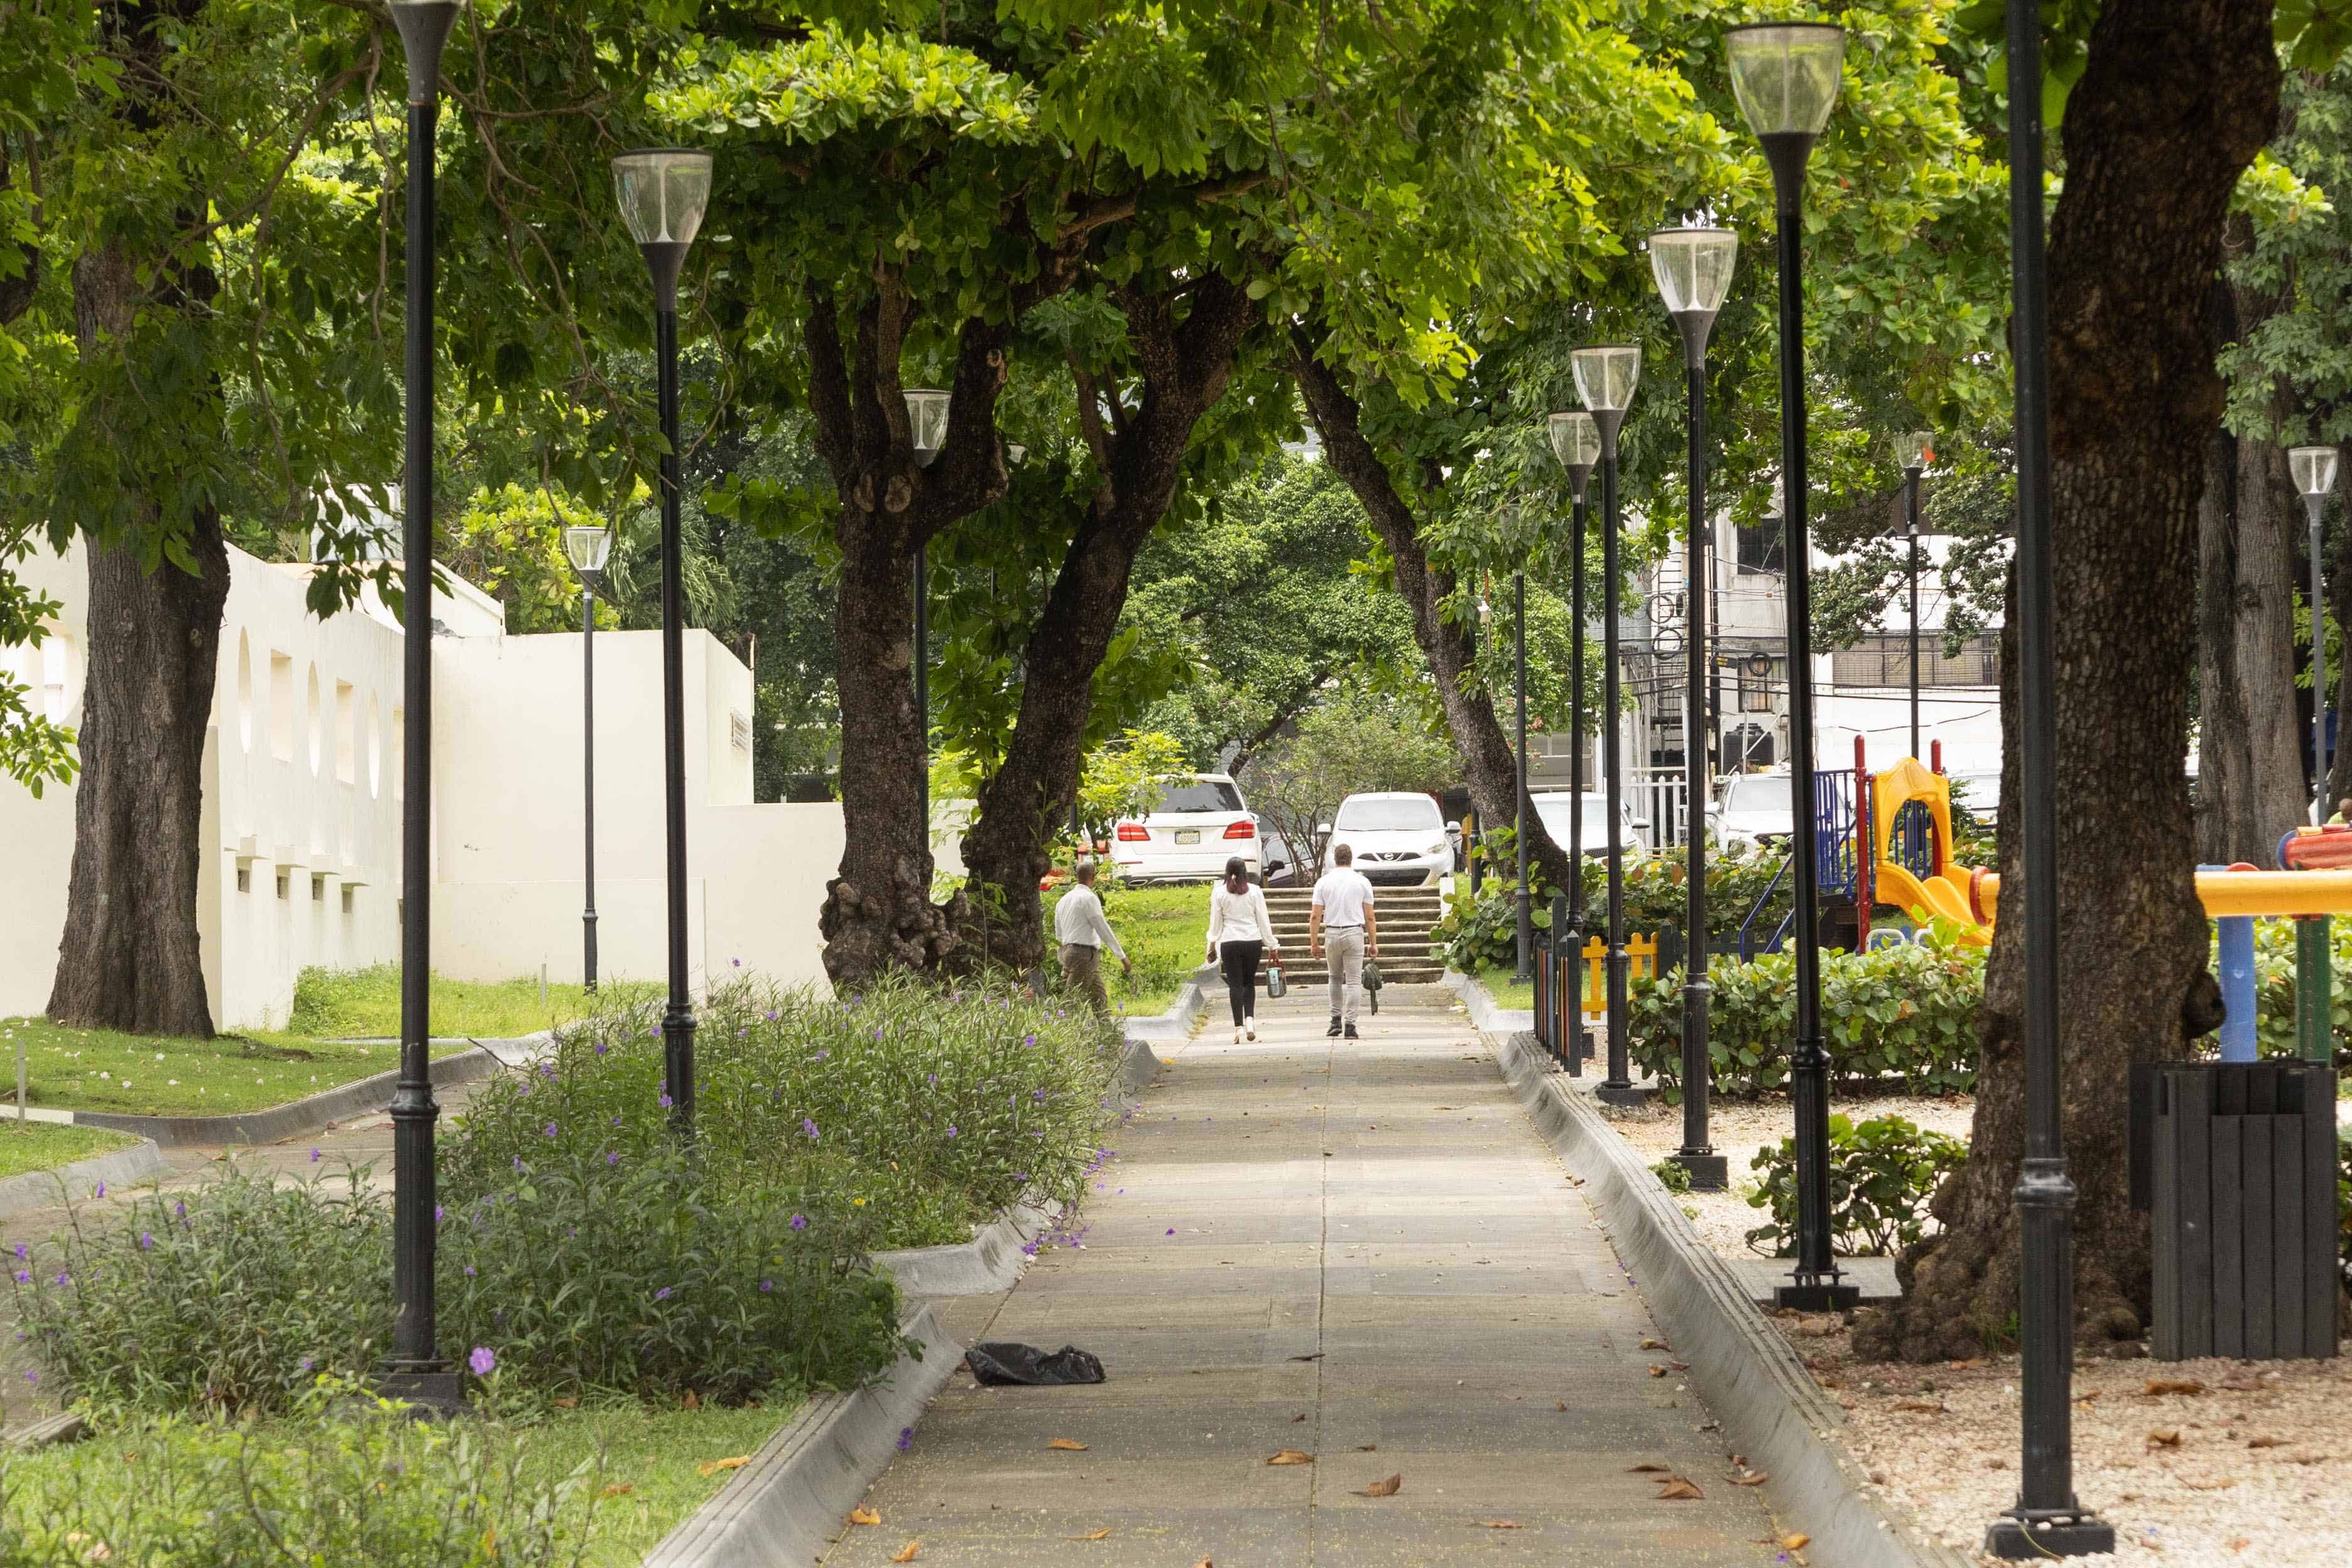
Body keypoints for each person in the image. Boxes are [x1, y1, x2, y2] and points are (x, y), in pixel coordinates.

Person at [1205, 855, 1280, 1043]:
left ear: (1227, 872)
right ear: (1245, 872)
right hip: (1252, 942)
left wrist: (1212, 945)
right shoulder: (1255, 891)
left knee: (1235, 985)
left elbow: (1216, 924)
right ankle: (1251, 1022)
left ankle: (1238, 1028)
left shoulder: (1219, 893)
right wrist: (1272, 945)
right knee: (1249, 983)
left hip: (1230, 943)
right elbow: (1264, 921)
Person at [1309, 842, 1378, 1039]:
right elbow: (1370, 917)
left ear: (1335, 859)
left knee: (1335, 978)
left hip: (1331, 933)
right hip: (1354, 933)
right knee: (1354, 981)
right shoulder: (1362, 882)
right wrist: (1373, 943)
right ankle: (1350, 1025)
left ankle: (1334, 1021)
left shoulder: (1323, 882)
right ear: (1351, 859)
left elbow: (1315, 916)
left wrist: (1314, 942)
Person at [1054, 859, 1130, 1015]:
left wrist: (1063, 961)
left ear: (1076, 876)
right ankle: (1063, 1033)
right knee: (1072, 1001)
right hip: (1084, 955)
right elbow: (1103, 929)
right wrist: (1122, 957)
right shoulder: (1089, 898)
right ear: (1093, 877)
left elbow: (1059, 935)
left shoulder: (1063, 901)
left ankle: (1108, 1034)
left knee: (1099, 999)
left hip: (1070, 953)